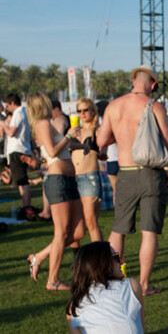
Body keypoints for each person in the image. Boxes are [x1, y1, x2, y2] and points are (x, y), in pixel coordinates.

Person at [97, 64, 168, 296]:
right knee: (149, 231)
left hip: (125, 172)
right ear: (152, 84)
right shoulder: (154, 106)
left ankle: (114, 277)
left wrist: (121, 137)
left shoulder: (113, 106)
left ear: (133, 81)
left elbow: (101, 141)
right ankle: (144, 284)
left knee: (118, 230)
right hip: (151, 173)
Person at [25, 93, 85, 291]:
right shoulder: (42, 124)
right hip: (58, 180)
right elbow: (52, 151)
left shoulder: (47, 124)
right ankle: (53, 280)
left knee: (78, 231)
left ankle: (39, 256)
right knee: (62, 232)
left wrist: (80, 144)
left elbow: (62, 146)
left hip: (68, 180)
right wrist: (68, 136)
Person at [66, 241, 144, 333]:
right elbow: (140, 325)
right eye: (116, 257)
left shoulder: (74, 307)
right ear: (102, 264)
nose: (121, 262)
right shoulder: (132, 286)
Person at [71, 98, 103, 242]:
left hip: (89, 177)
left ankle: (100, 254)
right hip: (73, 177)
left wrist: (102, 152)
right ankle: (76, 254)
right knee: (74, 223)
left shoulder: (97, 130)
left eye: (85, 110)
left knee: (91, 222)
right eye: (79, 111)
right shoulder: (74, 131)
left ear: (93, 111)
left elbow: (103, 149)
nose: (82, 114)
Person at [1, 93, 32, 207]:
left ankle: (27, 207)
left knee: (22, 181)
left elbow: (11, 132)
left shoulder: (18, 114)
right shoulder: (24, 112)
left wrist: (3, 124)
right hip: (23, 149)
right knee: (20, 181)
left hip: (18, 150)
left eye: (7, 106)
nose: (7, 109)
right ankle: (25, 206)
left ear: (12, 103)